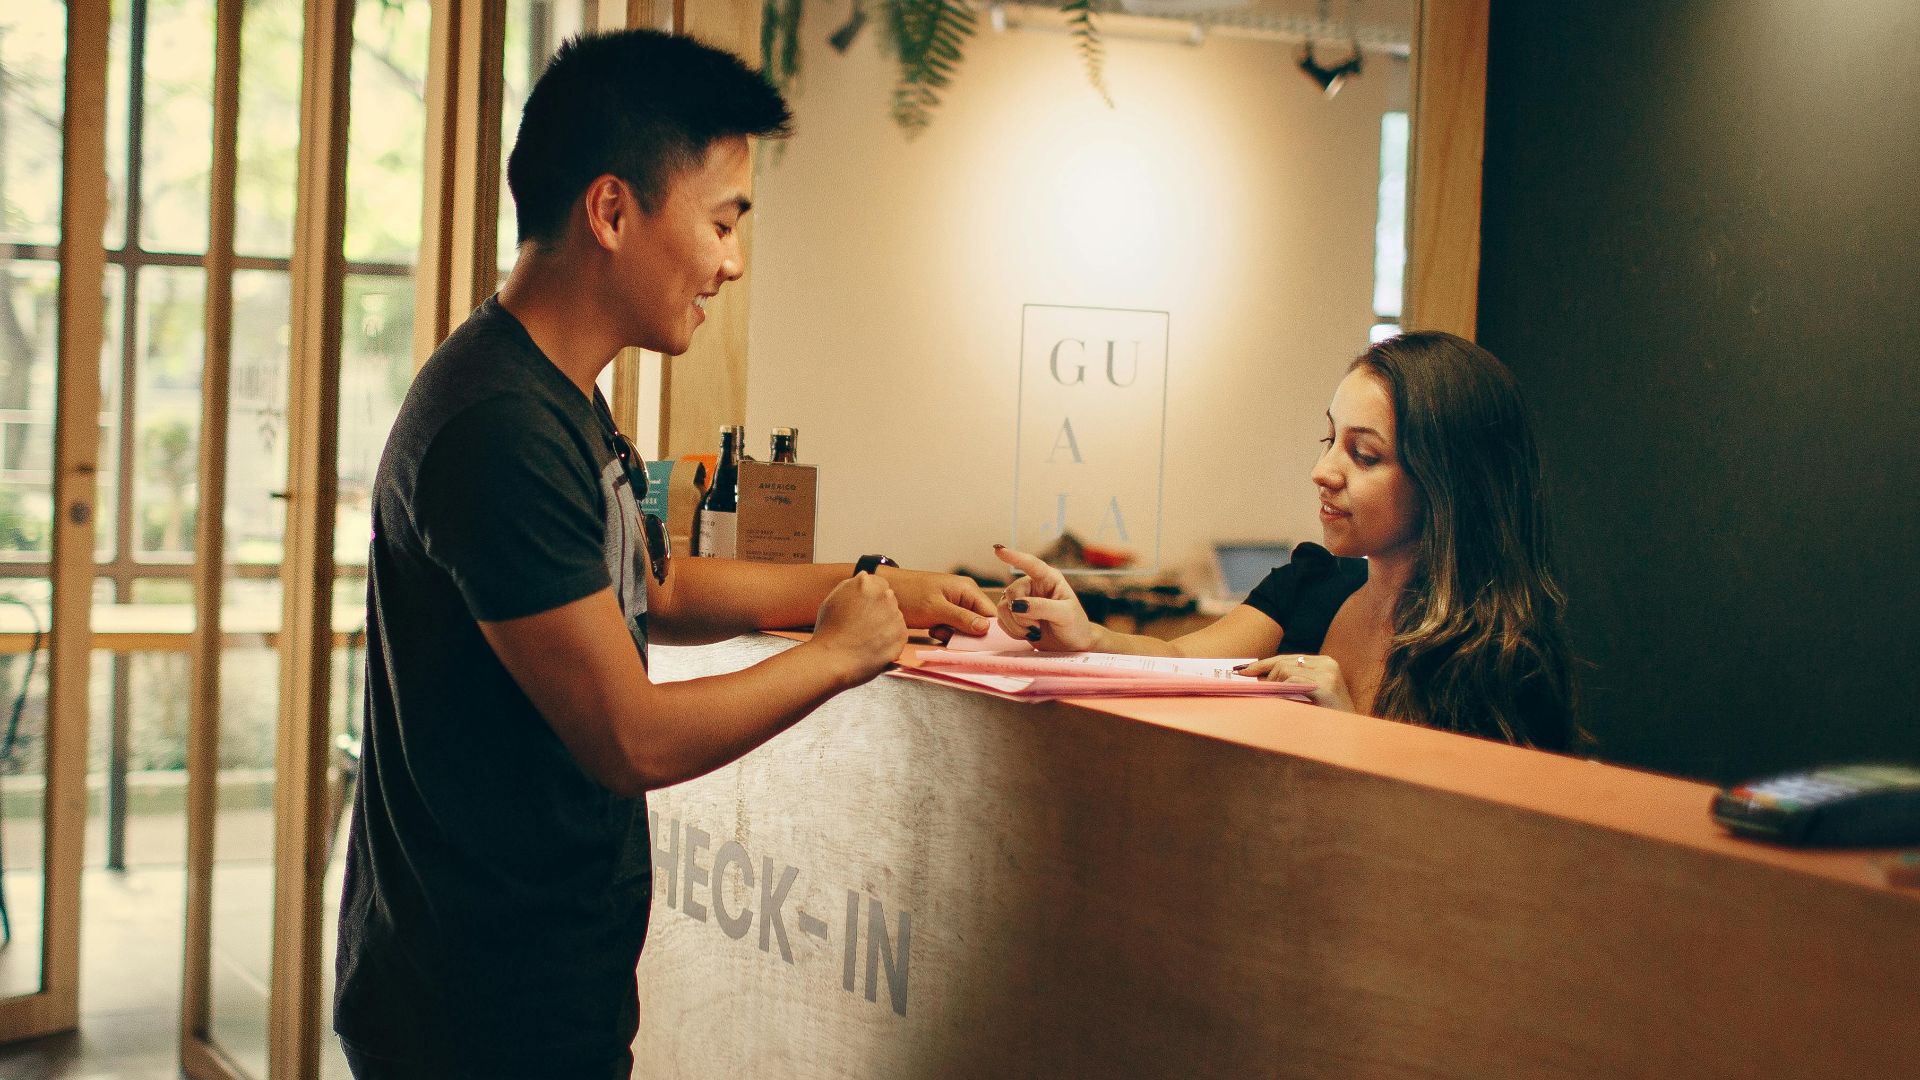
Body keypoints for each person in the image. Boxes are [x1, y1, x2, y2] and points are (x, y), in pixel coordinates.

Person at [333, 30, 994, 1079]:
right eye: (723, 220)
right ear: (611, 210)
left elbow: (659, 583)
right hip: (476, 1015)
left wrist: (872, 585)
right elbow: (628, 738)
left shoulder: (557, 395)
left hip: (536, 990)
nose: (732, 261)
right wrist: (833, 652)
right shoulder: (498, 429)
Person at [993, 331, 1576, 751]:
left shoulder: (1502, 658)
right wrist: (1083, 633)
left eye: (1364, 453)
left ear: (1448, 481)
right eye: (1328, 439)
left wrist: (1347, 728)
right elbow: (1178, 662)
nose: (1324, 471)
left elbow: (1474, 855)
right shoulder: (1312, 583)